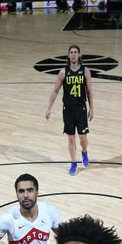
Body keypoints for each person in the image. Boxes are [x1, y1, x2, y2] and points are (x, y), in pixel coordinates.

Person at [45, 44, 94, 176]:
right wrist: (49, 108)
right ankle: (73, 163)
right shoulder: (63, 72)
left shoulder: (85, 71)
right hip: (68, 110)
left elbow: (89, 91)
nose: (73, 54)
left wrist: (92, 108)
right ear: (68, 55)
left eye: (75, 52)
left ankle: (84, 152)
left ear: (79, 55)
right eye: (71, 52)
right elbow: (55, 91)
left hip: (81, 108)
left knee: (83, 137)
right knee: (71, 139)